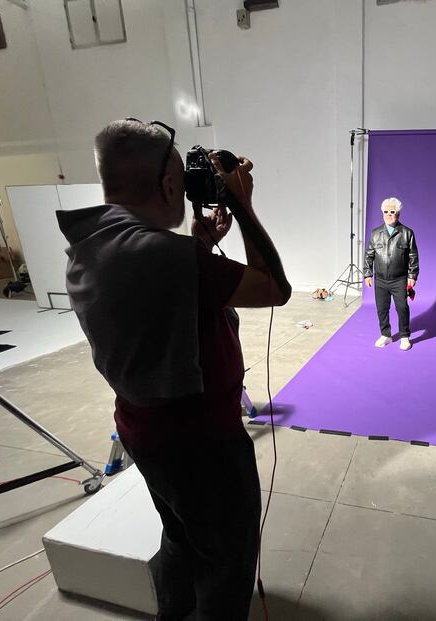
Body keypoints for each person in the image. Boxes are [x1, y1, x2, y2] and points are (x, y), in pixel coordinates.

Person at [57, 119, 291, 620]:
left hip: (145, 432)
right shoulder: (166, 255)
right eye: (184, 181)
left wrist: (198, 246)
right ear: (167, 185)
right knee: (227, 562)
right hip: (203, 445)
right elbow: (275, 288)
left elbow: (156, 295)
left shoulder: (94, 240)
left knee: (181, 537)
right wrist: (241, 203)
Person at [364, 197, 419, 350]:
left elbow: (413, 256)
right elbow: (369, 255)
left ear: (398, 214)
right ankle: (385, 335)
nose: (389, 214)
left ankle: (404, 336)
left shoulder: (407, 233)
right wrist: (368, 274)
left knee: (402, 308)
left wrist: (412, 276)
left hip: (399, 279)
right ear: (382, 213)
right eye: (386, 211)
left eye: (392, 212)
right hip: (380, 280)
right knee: (382, 308)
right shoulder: (375, 233)